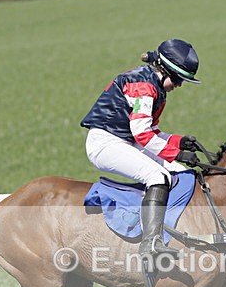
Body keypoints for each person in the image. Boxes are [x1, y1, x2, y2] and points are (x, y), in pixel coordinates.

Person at [81, 38, 202, 262]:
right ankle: (151, 243)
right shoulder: (145, 87)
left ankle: (173, 229)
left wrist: (179, 141)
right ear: (164, 70)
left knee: (178, 171)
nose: (179, 85)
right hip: (105, 143)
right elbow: (143, 135)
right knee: (157, 176)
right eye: (177, 79)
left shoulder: (154, 84)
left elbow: (151, 131)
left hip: (124, 140)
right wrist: (174, 151)